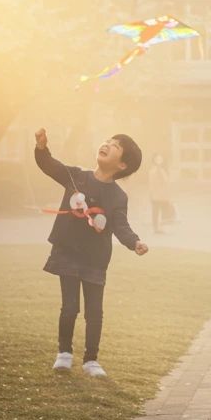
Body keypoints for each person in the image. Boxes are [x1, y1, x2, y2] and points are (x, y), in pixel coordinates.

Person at [34, 127, 148, 378]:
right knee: (69, 307)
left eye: (115, 146)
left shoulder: (118, 196)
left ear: (122, 165)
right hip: (68, 253)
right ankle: (64, 354)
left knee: (94, 312)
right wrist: (41, 148)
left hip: (95, 259)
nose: (107, 144)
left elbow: (121, 226)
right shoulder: (76, 176)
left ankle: (91, 360)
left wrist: (135, 242)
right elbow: (49, 165)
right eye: (108, 141)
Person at [148, 152, 173, 234]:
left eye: (160, 158)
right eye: (158, 158)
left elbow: (167, 182)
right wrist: (151, 194)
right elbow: (152, 183)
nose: (160, 159)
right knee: (156, 211)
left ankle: (159, 228)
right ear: (154, 160)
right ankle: (156, 228)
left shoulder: (160, 169)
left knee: (161, 211)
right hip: (156, 194)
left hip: (162, 194)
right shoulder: (154, 170)